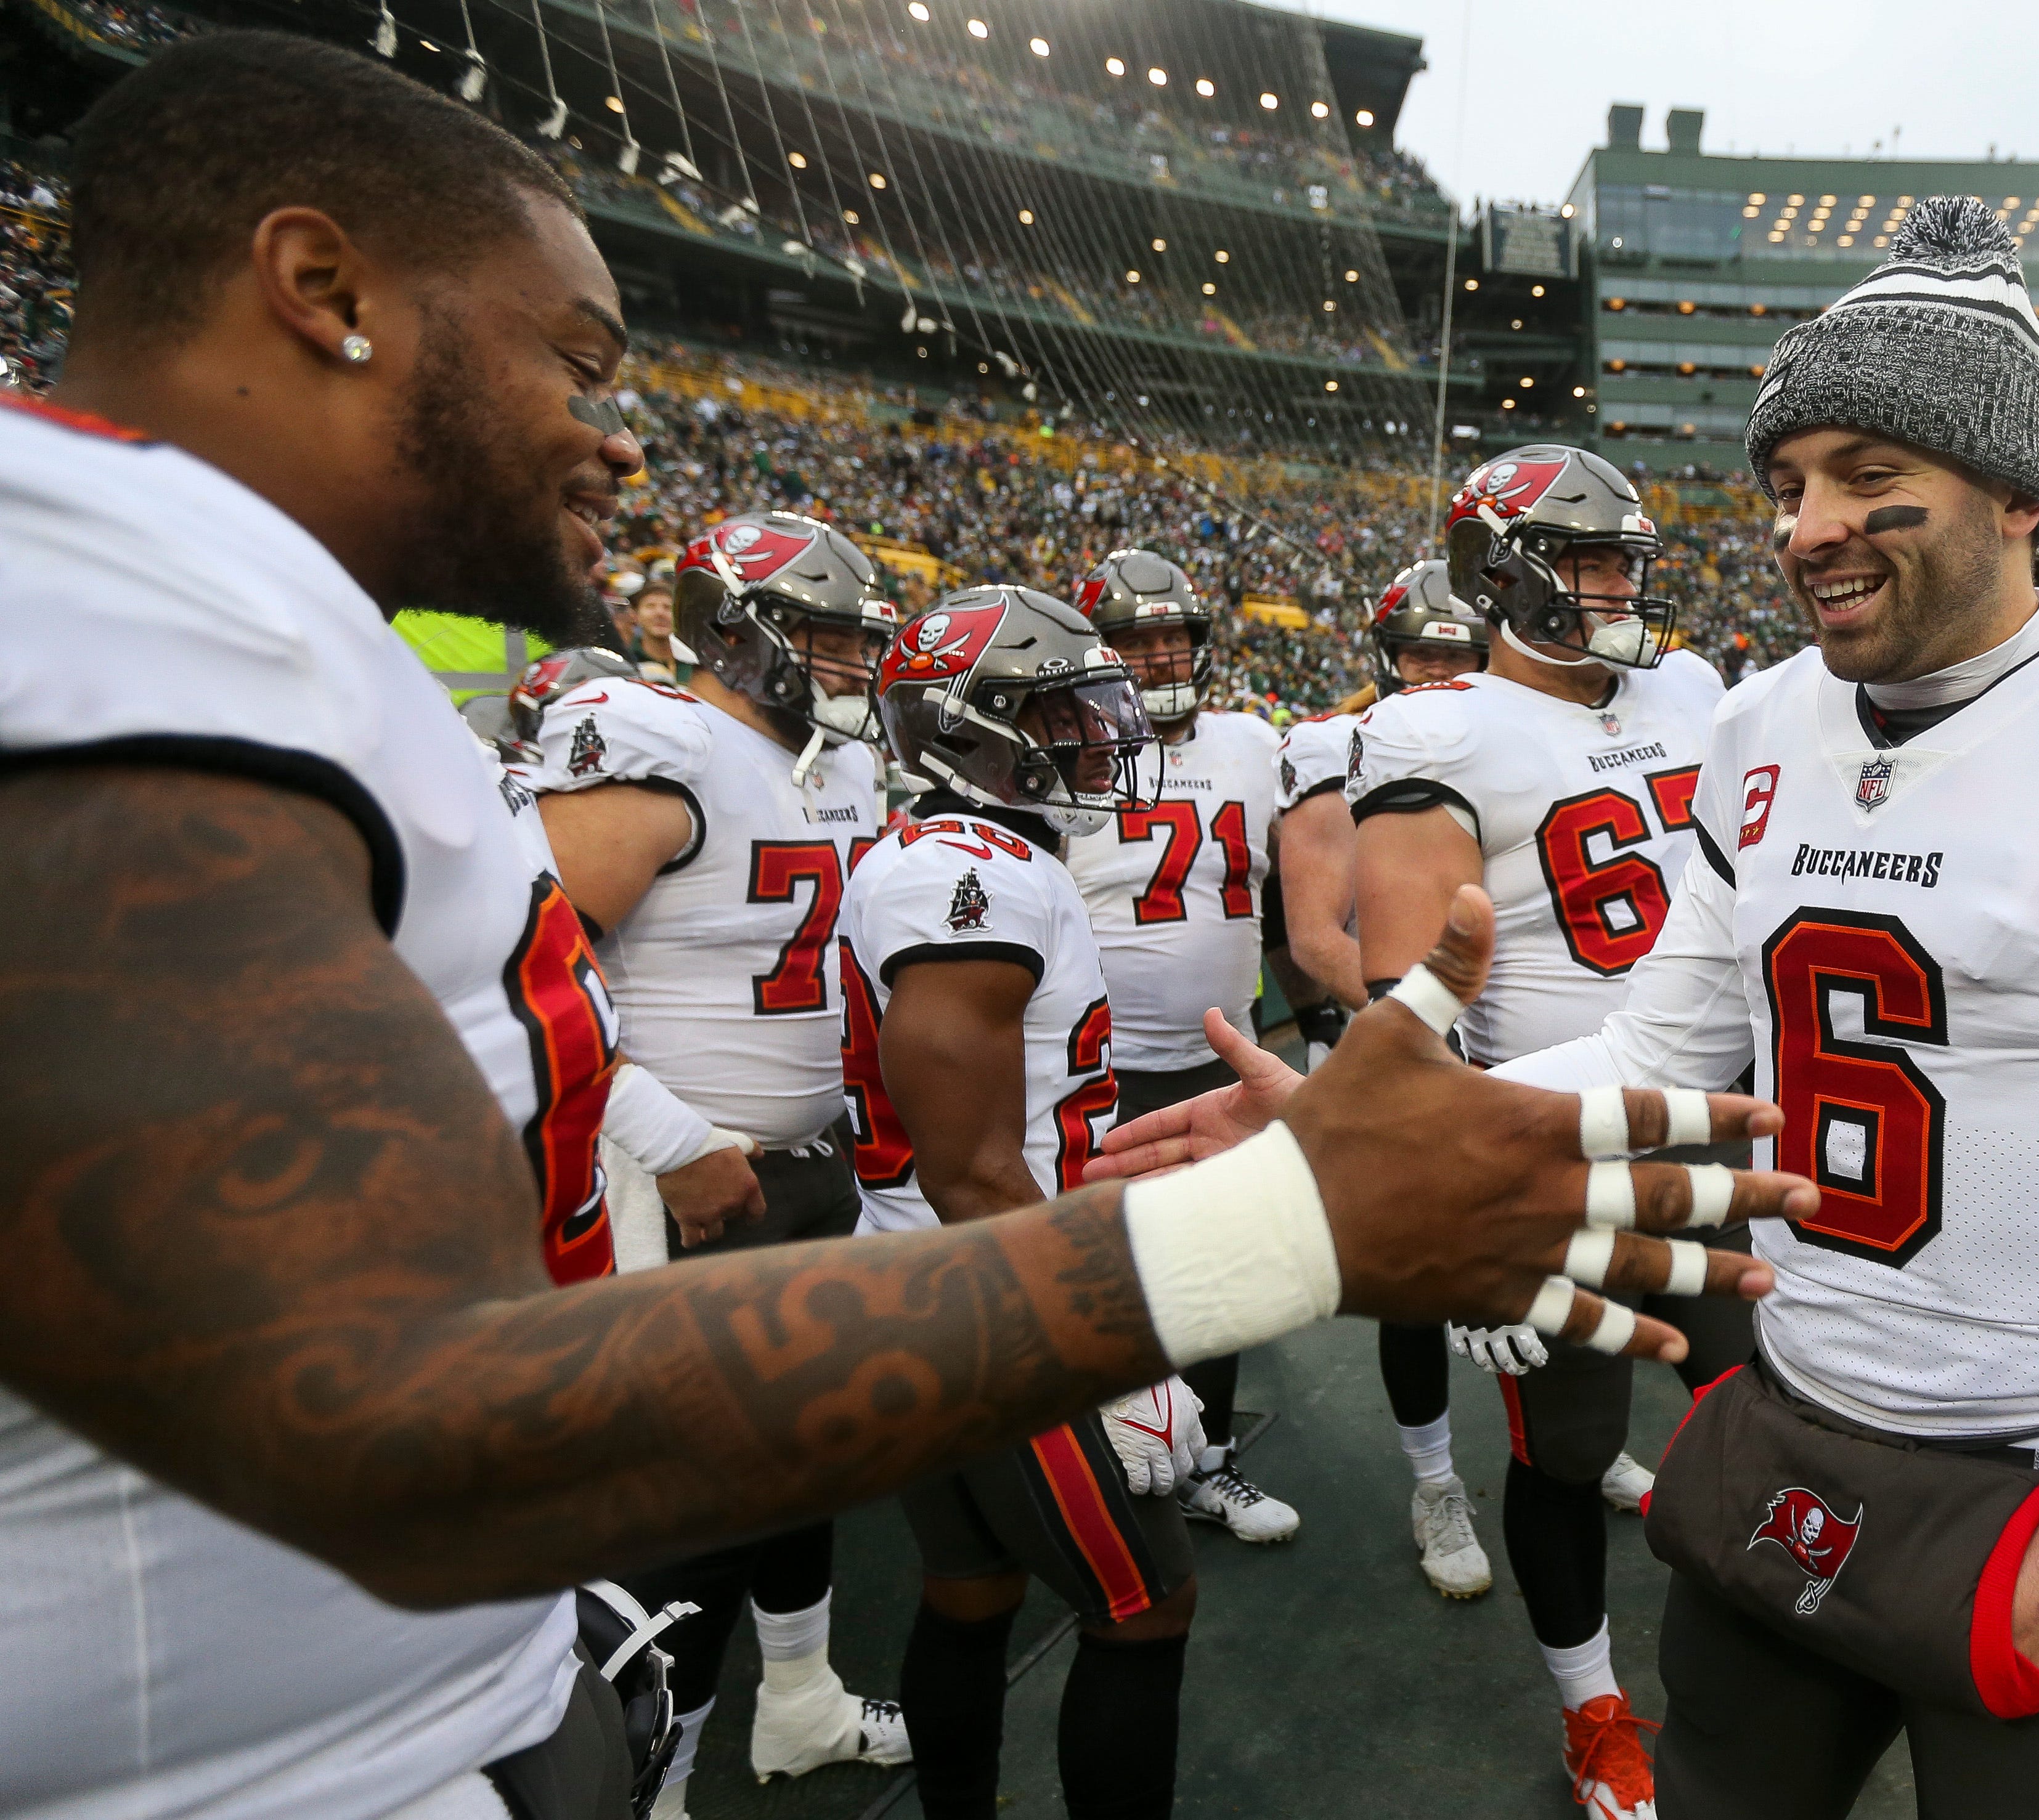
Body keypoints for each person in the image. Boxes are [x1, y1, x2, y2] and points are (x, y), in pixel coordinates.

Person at [0, 35, 1817, 1820]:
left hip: (362, 1705)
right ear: (323, 289)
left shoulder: (251, 634)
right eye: (576, 357)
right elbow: (373, 1410)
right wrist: (1283, 1232)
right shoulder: (99, 634)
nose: (621, 443)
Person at [1095, 198, 2039, 1820]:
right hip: (1794, 1423)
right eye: (1789, 483)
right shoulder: (1765, 723)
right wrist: (1388, 1118)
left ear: (2017, 490)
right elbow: (1660, 1052)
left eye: (1871, 475)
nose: (1806, 525)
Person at [1344, 447, 1732, 1820]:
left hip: (1734, 1127)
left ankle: (1758, 1675)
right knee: (1566, 1450)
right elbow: (1411, 1001)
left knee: (1780, 1415)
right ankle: (1596, 1712)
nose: (1619, 581)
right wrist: (1467, 1220)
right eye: (1585, 557)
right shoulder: (1436, 732)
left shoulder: (1693, 689)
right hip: (1557, 1145)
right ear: (1496, 574)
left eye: (1626, 553)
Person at [521, 512, 907, 1813]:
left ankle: (796, 1701)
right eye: (829, 634)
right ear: (737, 628)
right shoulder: (658, 738)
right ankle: (645, 1778)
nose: (854, 660)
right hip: (673, 1184)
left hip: (805, 1167)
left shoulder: (825, 765)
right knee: (674, 1512)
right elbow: (522, 978)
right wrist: (675, 1144)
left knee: (803, 1455)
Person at [839, 585, 1208, 1819]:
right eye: (1062, 706)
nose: (1101, 728)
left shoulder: (965, 856)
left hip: (928, 1291)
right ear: (969, 729)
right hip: (994, 1306)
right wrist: (1098, 1350)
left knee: (971, 1588)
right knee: (1147, 1602)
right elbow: (968, 1167)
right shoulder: (966, 870)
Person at [1064, 548, 1301, 1545]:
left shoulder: (1253, 741)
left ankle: (1208, 1459)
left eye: (1174, 636)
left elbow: (1291, 890)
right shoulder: (1062, 749)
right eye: (1136, 638)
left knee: (1220, 1268)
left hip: (1222, 1060)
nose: (1160, 655)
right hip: (1093, 1069)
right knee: (1102, 1273)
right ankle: (1097, 1451)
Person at [1274, 559, 1500, 1599]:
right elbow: (1321, 935)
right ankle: (1433, 1480)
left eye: (1458, 652)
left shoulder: (1521, 731)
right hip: (1409, 1042)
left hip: (1525, 1053)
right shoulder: (1334, 745)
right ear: (1384, 654)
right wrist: (1423, 1045)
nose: (1438, 671)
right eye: (1419, 652)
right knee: (1417, 1276)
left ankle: (1572, 1445)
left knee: (1556, 1256)